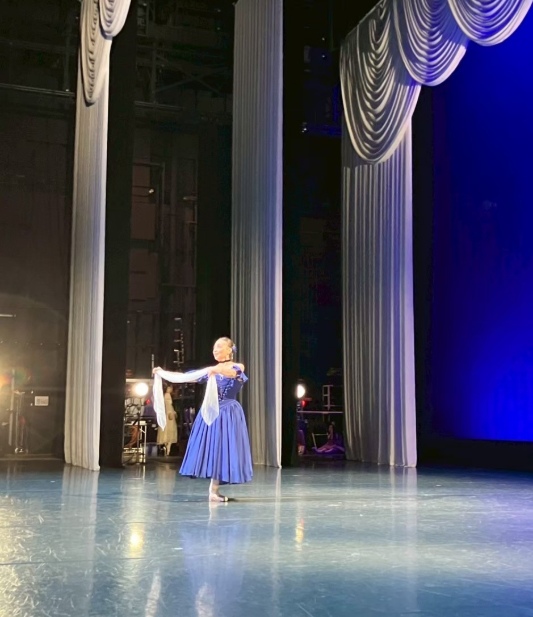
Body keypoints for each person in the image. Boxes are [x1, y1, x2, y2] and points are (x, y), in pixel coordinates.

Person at [153, 337, 252, 502]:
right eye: (214, 348)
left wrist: (216, 370)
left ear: (230, 350)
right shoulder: (210, 370)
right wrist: (162, 372)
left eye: (219, 347)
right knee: (214, 448)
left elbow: (234, 373)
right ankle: (213, 491)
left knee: (224, 449)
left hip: (228, 412)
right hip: (211, 411)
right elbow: (186, 377)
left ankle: (214, 490)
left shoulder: (237, 366)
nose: (215, 350)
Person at [156, 384, 178, 456]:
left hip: (167, 413)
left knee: (167, 429)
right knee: (170, 428)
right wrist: (170, 412)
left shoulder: (165, 395)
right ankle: (168, 448)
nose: (171, 389)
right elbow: (168, 405)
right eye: (170, 388)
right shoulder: (167, 395)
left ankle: (167, 448)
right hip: (168, 414)